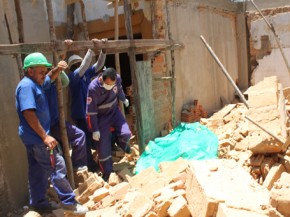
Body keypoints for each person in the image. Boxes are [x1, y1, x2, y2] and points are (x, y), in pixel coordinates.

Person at [15, 52, 87, 214]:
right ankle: (70, 202)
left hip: (32, 138)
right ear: (29, 71)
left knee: (37, 170)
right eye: (41, 71)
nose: (44, 74)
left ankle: (39, 203)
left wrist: (57, 69)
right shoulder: (27, 86)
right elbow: (28, 113)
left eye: (44, 71)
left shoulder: (37, 83)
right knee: (57, 167)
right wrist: (45, 136)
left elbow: (49, 79)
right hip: (38, 138)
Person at [67, 38, 107, 172]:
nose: (80, 65)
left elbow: (99, 65)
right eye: (78, 63)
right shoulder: (73, 76)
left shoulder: (84, 75)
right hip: (80, 113)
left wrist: (103, 50)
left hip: (89, 113)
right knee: (85, 140)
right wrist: (91, 48)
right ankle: (89, 164)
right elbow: (84, 66)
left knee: (93, 137)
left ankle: (96, 160)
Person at [86, 67, 131, 181]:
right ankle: (108, 173)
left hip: (114, 111)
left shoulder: (117, 79)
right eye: (108, 85)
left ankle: (121, 142)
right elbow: (91, 112)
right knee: (103, 146)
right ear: (102, 79)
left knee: (126, 133)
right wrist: (95, 129)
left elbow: (119, 90)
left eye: (112, 85)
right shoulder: (93, 88)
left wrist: (123, 99)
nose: (110, 87)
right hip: (101, 117)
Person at [45, 70, 87, 172]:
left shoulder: (54, 84)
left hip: (54, 122)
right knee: (79, 135)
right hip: (53, 123)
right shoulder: (45, 86)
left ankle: (71, 169)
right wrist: (55, 70)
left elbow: (65, 81)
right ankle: (76, 165)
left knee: (63, 149)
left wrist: (58, 69)